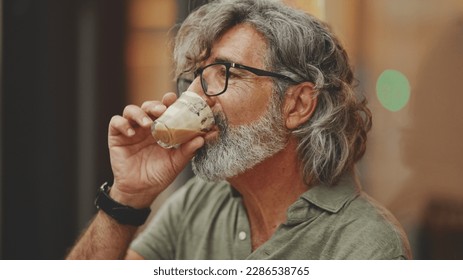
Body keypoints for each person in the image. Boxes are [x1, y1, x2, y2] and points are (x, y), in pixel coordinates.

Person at [67, 0, 412, 260]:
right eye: (196, 77)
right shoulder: (197, 205)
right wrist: (128, 196)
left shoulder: (366, 245)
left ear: (298, 105)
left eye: (226, 73)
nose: (194, 96)